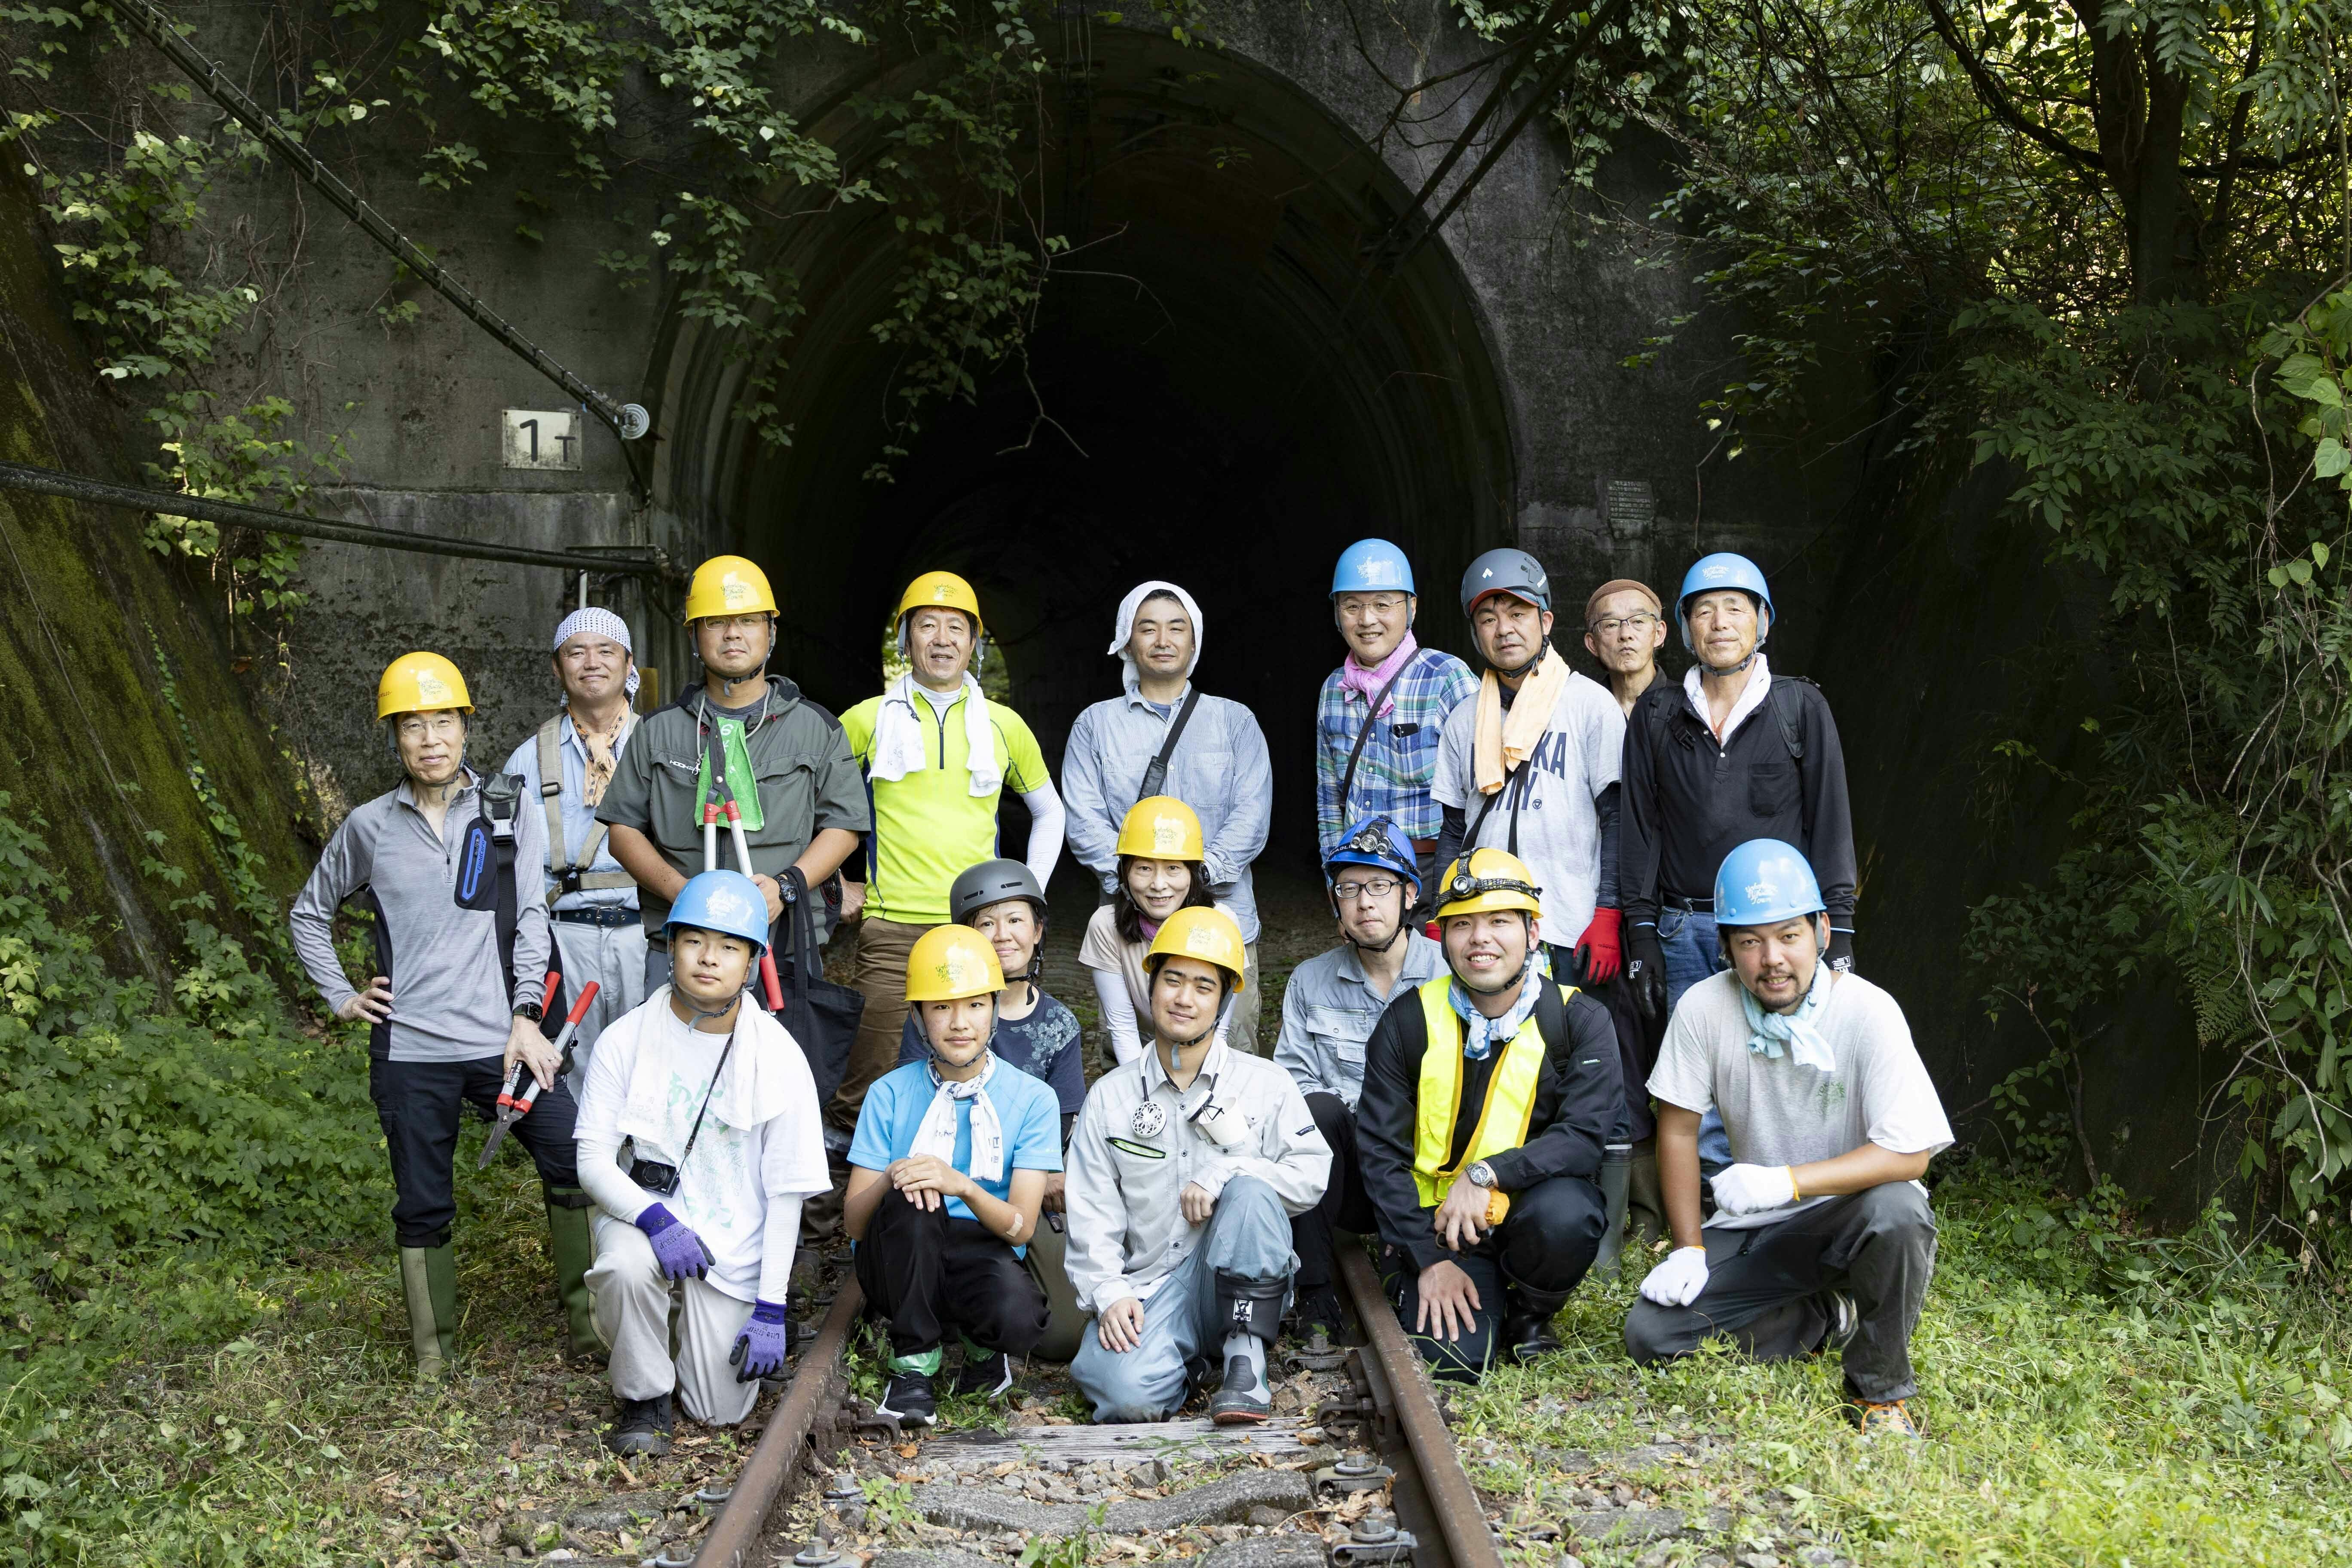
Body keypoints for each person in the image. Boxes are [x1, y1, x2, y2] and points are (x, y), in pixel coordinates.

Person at [289, 652, 595, 1377]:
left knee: (572, 1154)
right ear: (395, 737)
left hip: (503, 1040)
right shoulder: (368, 826)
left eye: (445, 721)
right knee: (422, 1201)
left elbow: (528, 917)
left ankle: (589, 1325)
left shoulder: (504, 807)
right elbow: (309, 911)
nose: (431, 738)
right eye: (414, 725)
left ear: (465, 728)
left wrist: (528, 1016)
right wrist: (341, 994)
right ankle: (435, 1358)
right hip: (410, 1051)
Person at [1623, 841, 1948, 1439]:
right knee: (1651, 1336)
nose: (1772, 959)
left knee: (1901, 1208)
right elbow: (1677, 1129)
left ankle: (1878, 1393)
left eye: (1788, 936)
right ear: (1726, 947)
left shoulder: (1869, 1013)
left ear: (1822, 932)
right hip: (1759, 1227)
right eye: (1750, 941)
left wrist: (1789, 1181)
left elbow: (1912, 1154)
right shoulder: (1703, 1009)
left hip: (1852, 1218)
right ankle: (1825, 1316)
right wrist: (1689, 1246)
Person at [572, 870, 830, 1455]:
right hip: (648, 1221)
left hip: (734, 1241)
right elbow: (592, 1160)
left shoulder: (780, 1057)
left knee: (718, 1411)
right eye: (694, 941)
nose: (709, 958)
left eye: (729, 946)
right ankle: (644, 1397)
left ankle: (694, 1326)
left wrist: (771, 1306)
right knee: (627, 1269)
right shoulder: (625, 1038)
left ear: (752, 963)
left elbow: (786, 1193)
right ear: (671, 947)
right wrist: (656, 1221)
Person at [1620, 553, 1857, 1174]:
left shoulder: (1798, 708)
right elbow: (1641, 829)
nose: (1719, 622)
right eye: (1704, 609)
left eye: (1735, 607)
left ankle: (1781, 1198)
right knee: (1695, 1076)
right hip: (1682, 926)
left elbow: (1830, 824)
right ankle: (1709, 1209)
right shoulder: (1658, 714)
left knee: (1780, 1067)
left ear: (1763, 622)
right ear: (1686, 627)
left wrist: (1840, 930)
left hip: (1776, 930)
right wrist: (1639, 930)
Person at [1355, 848, 1626, 1381]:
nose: (1480, 939)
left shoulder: (1581, 1020)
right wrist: (1426, 1259)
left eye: (1499, 921)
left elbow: (1584, 1136)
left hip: (1529, 1215)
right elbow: (1380, 1152)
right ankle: (1446, 1283)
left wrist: (1487, 1175)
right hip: (1439, 1229)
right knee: (1454, 1362)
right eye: (1462, 925)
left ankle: (1531, 1312)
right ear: (1443, 938)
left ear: (1532, 933)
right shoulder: (1408, 1022)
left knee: (1568, 1213)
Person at [1064, 907, 1331, 1424]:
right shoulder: (1111, 1097)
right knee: (1125, 1397)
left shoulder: (1266, 1084)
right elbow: (1091, 1211)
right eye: (1174, 980)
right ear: (1151, 986)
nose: (1185, 999)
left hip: (1237, 1279)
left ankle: (1245, 1360)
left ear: (1224, 999)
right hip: (1155, 1286)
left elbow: (1310, 1176)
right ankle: (1190, 1364)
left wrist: (1229, 1172)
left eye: (1204, 986)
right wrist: (1109, 1292)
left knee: (1251, 1190)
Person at [838, 571, 1063, 1132]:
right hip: (891, 933)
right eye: (928, 625)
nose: (942, 639)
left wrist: (1023, 899)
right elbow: (809, 801)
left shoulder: (1003, 726)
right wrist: (831, 885)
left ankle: (960, 1199)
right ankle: (838, 1218)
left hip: (977, 931)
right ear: (906, 639)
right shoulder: (867, 719)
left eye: (956, 627)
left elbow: (1050, 812)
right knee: (865, 1083)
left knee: (973, 1072)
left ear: (974, 642)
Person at [598, 554, 868, 997]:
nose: (733, 634)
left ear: (772, 631)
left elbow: (844, 827)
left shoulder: (816, 728)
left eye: (748, 620)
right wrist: (684, 893)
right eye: (716, 622)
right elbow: (623, 830)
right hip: (679, 947)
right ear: (693, 634)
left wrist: (786, 887)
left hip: (783, 948)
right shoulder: (656, 731)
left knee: (776, 1065)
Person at [848, 925, 1062, 1424]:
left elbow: (1022, 1227)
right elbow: (856, 1226)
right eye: (941, 1007)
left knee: (1020, 1316)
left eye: (974, 1005)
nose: (959, 1023)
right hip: (899, 1252)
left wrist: (961, 1183)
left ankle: (983, 1352)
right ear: (919, 1017)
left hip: (979, 1246)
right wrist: (896, 1176)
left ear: (993, 1008)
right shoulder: (889, 1093)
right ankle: (913, 1370)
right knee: (913, 1199)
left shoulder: (1033, 1099)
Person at [1064, 582, 1275, 1053]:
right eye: (1148, 628)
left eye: (1177, 628)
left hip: (1226, 923)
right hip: (1130, 933)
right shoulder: (1095, 726)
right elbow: (1085, 823)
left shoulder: (1235, 721)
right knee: (1131, 1053)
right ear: (1126, 640)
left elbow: (1252, 816)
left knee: (1229, 1059)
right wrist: (1142, 886)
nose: (1163, 640)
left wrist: (1192, 883)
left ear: (1194, 641)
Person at [893, 860, 1089, 1361]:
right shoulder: (938, 1015)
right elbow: (917, 1103)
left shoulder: (1058, 1024)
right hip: (945, 1188)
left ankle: (993, 1302)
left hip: (1027, 1183)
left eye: (1016, 920)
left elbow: (1063, 1122)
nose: (1003, 936)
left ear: (1039, 930)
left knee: (1062, 1334)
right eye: (986, 923)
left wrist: (1041, 1172)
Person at [1273, 816, 1444, 1341]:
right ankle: (1316, 1295)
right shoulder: (1311, 980)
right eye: (1348, 889)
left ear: (1409, 895)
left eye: (1379, 885)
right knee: (1317, 1111)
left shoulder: (1447, 974)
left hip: (1427, 1175)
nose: (1364, 902)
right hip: (1342, 1174)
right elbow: (1291, 1084)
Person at [1432, 548, 1628, 992]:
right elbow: (1453, 829)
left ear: (1546, 621)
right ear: (1475, 632)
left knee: (1568, 1052)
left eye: (1518, 612)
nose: (1504, 629)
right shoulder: (1464, 718)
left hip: (1569, 926)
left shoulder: (1590, 705)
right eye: (1488, 618)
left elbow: (1616, 821)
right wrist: (1438, 913)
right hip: (1484, 927)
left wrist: (1608, 914)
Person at [504, 606, 646, 1089]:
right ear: (557, 667)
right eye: (576, 652)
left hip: (646, 933)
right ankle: (584, 1164)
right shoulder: (529, 755)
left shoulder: (661, 744)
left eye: (606, 651)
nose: (592, 662)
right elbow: (513, 866)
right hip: (565, 937)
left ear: (630, 664)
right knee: (574, 1071)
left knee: (648, 1062)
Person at [1580, 579, 1672, 1258]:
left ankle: (1687, 1199)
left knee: (1679, 1045)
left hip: (1676, 903)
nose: (1624, 633)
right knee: (1621, 1044)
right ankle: (1636, 1201)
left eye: (1637, 620)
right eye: (1609, 625)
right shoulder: (1579, 708)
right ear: (1591, 643)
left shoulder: (1685, 706)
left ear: (1662, 632)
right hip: (1606, 904)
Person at [1315, 540, 1477, 903]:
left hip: (1433, 867)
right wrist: (1335, 884)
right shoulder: (1333, 691)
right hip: (1359, 868)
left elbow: (1485, 791)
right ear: (1337, 613)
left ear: (1412, 607)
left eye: (1382, 604)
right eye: (1352, 606)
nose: (1367, 619)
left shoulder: (1447, 678)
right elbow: (1329, 803)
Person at [1077, 795, 1223, 1067]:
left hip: (1208, 1050)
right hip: (1140, 1047)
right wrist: (1143, 1090)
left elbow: (1221, 1027)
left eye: (1173, 869)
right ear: (1124, 874)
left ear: (1194, 874)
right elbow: (1122, 1026)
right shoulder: (1106, 926)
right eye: (1144, 868)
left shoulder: (1223, 924)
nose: (1158, 884)